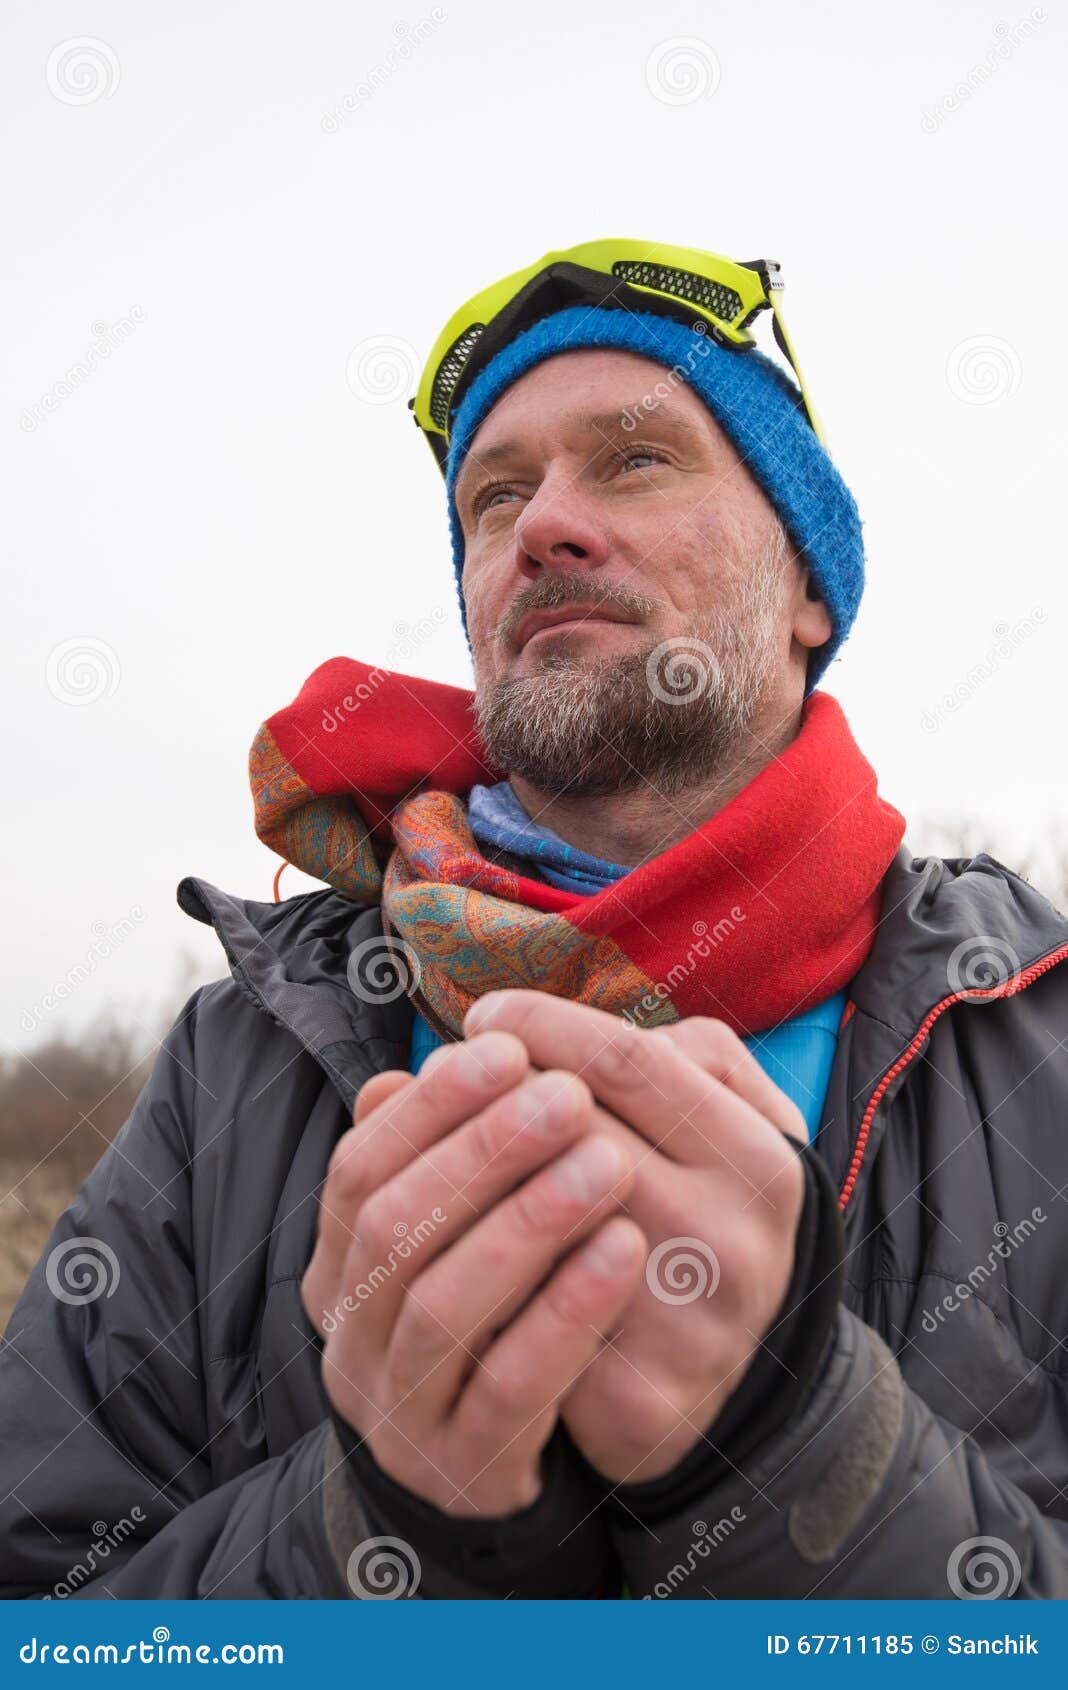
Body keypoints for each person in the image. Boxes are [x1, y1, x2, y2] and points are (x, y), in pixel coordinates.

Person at [3, 241, 1067, 1601]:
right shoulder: (238, 1064)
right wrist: (383, 1524)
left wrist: (811, 1458)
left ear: (809, 587)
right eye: (496, 495)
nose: (545, 523)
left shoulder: (1033, 1028)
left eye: (634, 458)